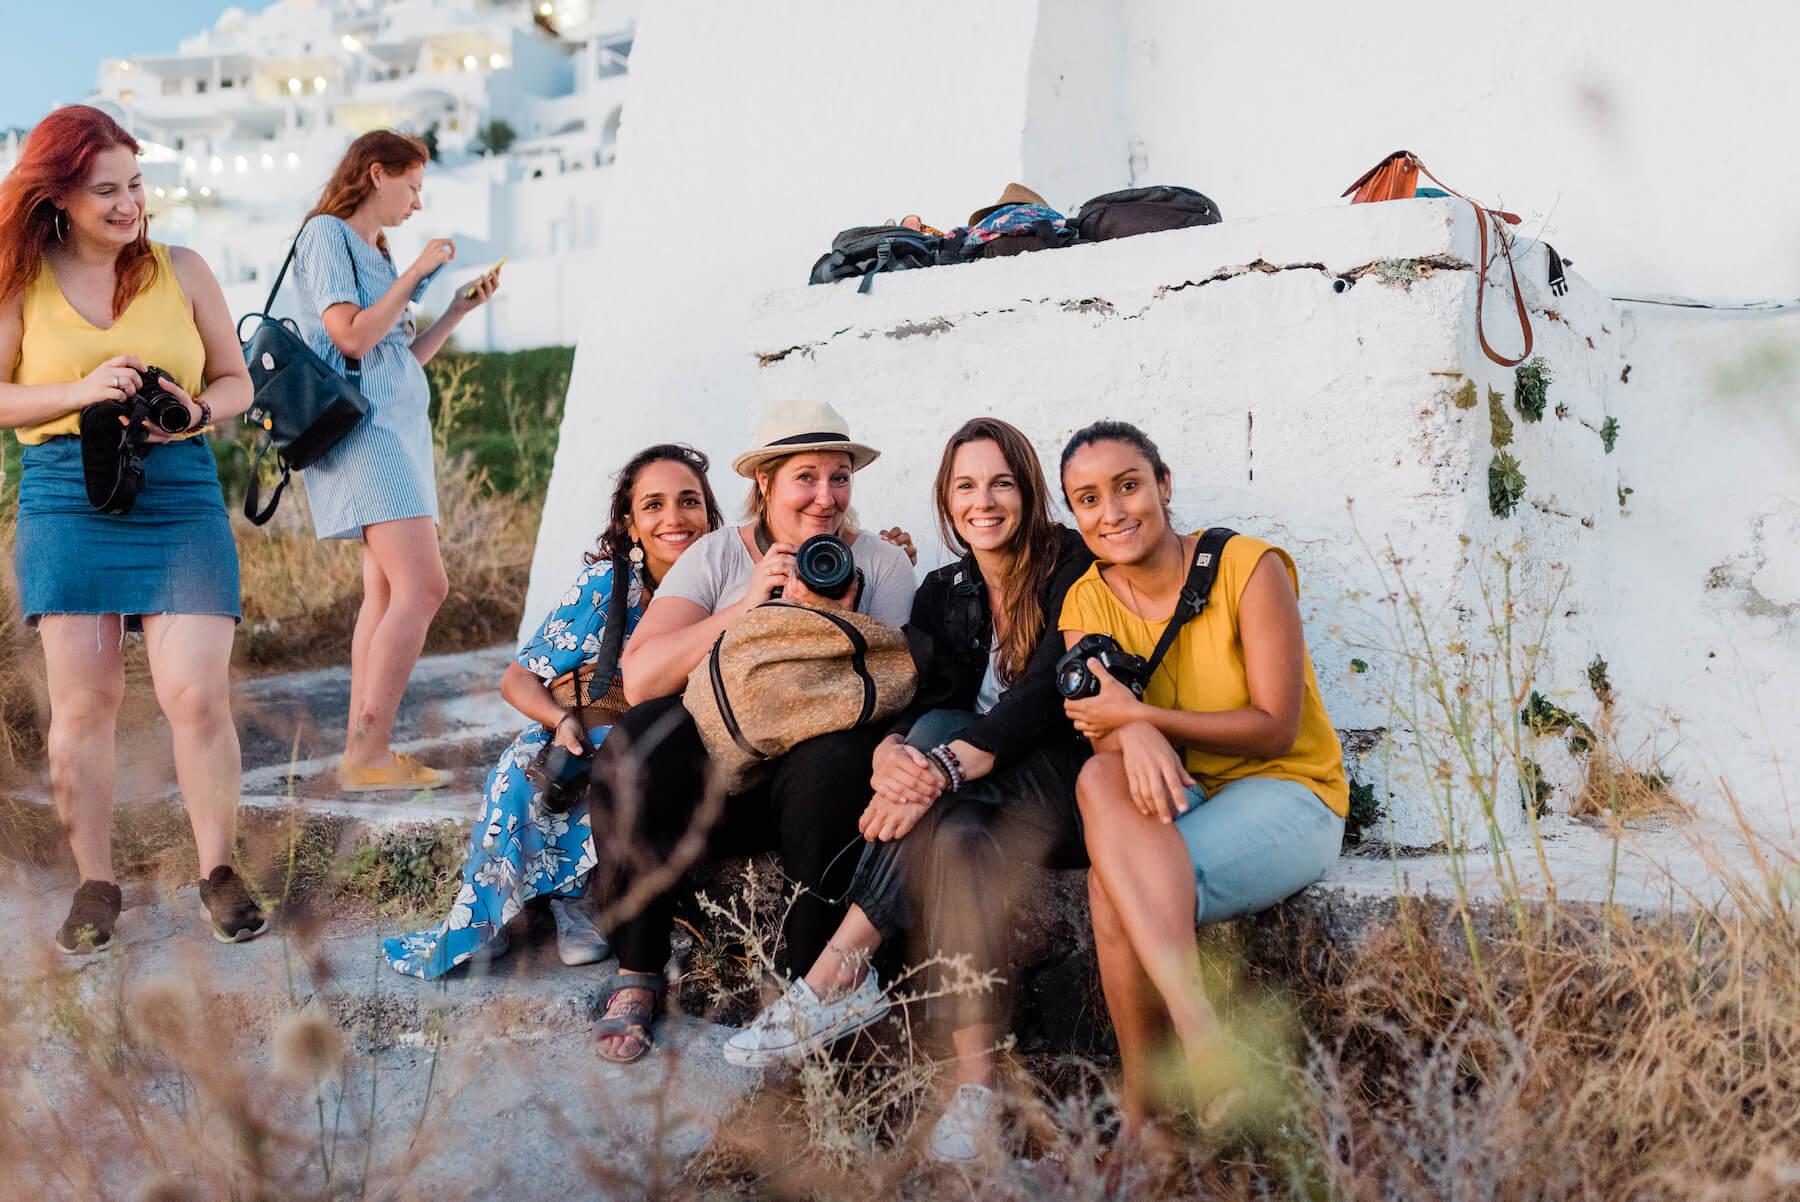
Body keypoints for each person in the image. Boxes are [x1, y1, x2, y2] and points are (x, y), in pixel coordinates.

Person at [721, 417, 1095, 1164]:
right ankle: (977, 1086)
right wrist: (895, 750)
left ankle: (840, 966)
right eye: (965, 486)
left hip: (1062, 786)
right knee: (951, 834)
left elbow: (1048, 696)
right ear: (945, 498)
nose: (982, 501)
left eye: (1000, 483)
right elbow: (931, 700)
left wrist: (946, 764)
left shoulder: (1071, 566)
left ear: (1027, 489)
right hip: (963, 803)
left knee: (941, 766)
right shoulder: (943, 591)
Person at [0, 105, 264, 951]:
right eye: (105, 190)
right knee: (85, 704)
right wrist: (83, 391)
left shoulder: (183, 269)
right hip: (64, 494)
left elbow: (237, 382)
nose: (128, 205)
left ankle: (217, 872)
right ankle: (95, 884)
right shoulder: (20, 280)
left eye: (136, 185)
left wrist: (193, 411)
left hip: (180, 493)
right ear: (59, 199)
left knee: (195, 692)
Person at [587, 398, 916, 1064]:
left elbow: (895, 689)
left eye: (840, 476)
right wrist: (747, 610)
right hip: (716, 790)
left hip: (817, 792)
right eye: (806, 476)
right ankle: (639, 973)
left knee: (830, 759)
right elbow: (644, 675)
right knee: (640, 737)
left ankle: (810, 990)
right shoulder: (716, 557)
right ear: (763, 482)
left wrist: (832, 627)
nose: (827, 497)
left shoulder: (878, 565)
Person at [1054, 421, 1347, 1134]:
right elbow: (1101, 733)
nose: (1112, 512)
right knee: (1097, 782)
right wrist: (1137, 728)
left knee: (1109, 886)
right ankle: (1195, 1051)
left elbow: (1276, 724)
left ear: (1164, 485)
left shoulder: (1249, 568)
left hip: (1288, 790)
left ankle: (1147, 1107)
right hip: (1186, 797)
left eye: (1128, 486)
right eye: (1088, 499)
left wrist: (1144, 716)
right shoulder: (1084, 603)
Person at [381, 444, 723, 979]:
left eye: (689, 502)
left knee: (634, 764)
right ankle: (487, 918)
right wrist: (559, 719)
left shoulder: (729, 589)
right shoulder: (607, 587)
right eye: (653, 505)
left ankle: (580, 904)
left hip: (668, 744)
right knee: (523, 767)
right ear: (630, 524)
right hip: (581, 733)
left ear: (709, 516)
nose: (674, 518)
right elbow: (517, 678)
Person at [289, 129, 500, 793]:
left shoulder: (373, 249)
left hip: (395, 431)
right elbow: (347, 333)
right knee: (423, 587)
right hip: (366, 434)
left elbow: (390, 358)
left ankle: (363, 751)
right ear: (375, 174)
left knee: (383, 595)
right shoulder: (327, 234)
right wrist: (417, 275)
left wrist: (455, 310)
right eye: (411, 186)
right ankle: (370, 752)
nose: (416, 202)